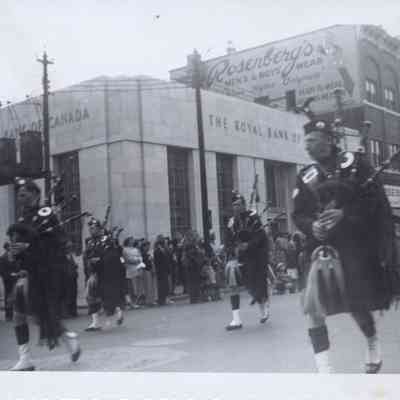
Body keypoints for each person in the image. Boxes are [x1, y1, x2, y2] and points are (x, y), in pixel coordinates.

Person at [292, 118, 397, 373]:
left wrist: (345, 215)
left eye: (312, 141)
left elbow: (376, 203)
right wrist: (311, 227)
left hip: (353, 245)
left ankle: (371, 340)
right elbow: (299, 213)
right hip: (319, 246)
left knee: (356, 304)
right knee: (313, 307)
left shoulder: (356, 164)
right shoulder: (306, 175)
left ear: (328, 139)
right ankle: (324, 371)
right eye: (305, 142)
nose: (307, 146)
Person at [6, 178, 81, 370]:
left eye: (24, 191)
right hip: (28, 272)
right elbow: (19, 248)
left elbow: (58, 244)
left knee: (40, 315)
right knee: (20, 314)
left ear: (36, 194)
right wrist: (14, 254)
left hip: (46, 273)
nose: (20, 194)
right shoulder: (22, 219)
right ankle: (25, 358)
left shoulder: (46, 214)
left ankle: (67, 338)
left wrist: (29, 246)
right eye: (19, 192)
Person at [224, 192, 270, 330]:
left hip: (255, 256)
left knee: (257, 286)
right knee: (232, 280)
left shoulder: (253, 216)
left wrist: (248, 245)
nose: (236, 207)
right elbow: (228, 242)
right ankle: (236, 320)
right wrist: (234, 249)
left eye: (238, 204)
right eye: (234, 205)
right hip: (240, 257)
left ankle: (263, 308)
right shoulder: (231, 222)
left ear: (243, 205)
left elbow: (261, 236)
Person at [84, 217, 124, 331]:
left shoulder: (107, 240)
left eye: (93, 228)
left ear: (99, 228)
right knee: (90, 296)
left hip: (106, 273)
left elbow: (113, 255)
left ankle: (118, 311)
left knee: (107, 296)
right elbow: (87, 255)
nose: (91, 230)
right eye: (90, 228)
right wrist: (91, 260)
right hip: (94, 273)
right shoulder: (90, 242)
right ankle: (95, 322)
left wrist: (100, 259)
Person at [0, 242, 16, 321]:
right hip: (7, 280)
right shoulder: (3, 258)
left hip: (14, 279)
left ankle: (12, 314)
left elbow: (16, 266)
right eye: (9, 246)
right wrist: (8, 276)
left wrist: (16, 274)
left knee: (13, 296)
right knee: (8, 297)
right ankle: (8, 315)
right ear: (6, 248)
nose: (11, 248)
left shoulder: (14, 256)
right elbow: (2, 271)